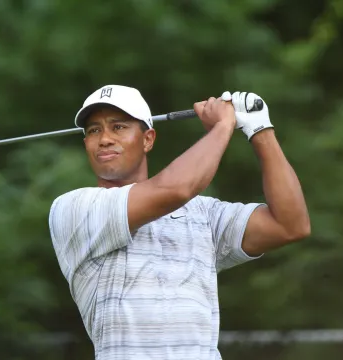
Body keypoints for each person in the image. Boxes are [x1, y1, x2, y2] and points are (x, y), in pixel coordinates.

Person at [48, 84, 310, 360]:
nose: (104, 139)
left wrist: (260, 129)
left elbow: (290, 225)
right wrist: (223, 126)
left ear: (148, 139)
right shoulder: (74, 209)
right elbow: (175, 189)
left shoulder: (202, 214)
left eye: (119, 127)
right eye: (94, 130)